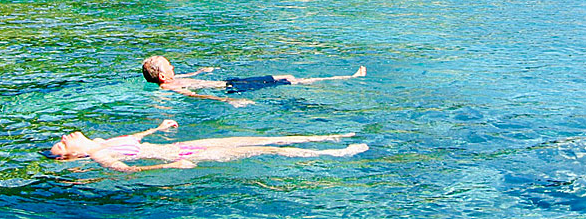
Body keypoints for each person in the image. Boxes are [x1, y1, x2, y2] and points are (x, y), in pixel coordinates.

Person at [48, 119, 368, 172]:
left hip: (191, 143)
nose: (64, 138)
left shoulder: (103, 141)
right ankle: (334, 152)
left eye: (60, 139)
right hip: (186, 154)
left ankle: (328, 137)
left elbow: (135, 139)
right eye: (61, 146)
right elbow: (128, 171)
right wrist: (169, 166)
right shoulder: (101, 155)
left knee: (261, 138)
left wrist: (156, 128)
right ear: (73, 155)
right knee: (269, 150)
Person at [141, 55, 366, 106]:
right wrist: (229, 101)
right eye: (169, 64)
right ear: (162, 76)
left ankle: (345, 76)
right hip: (235, 89)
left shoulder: (173, 79)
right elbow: (195, 94)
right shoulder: (171, 89)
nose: (173, 66)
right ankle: (348, 77)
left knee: (285, 75)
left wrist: (200, 72)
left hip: (232, 81)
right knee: (293, 81)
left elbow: (190, 80)